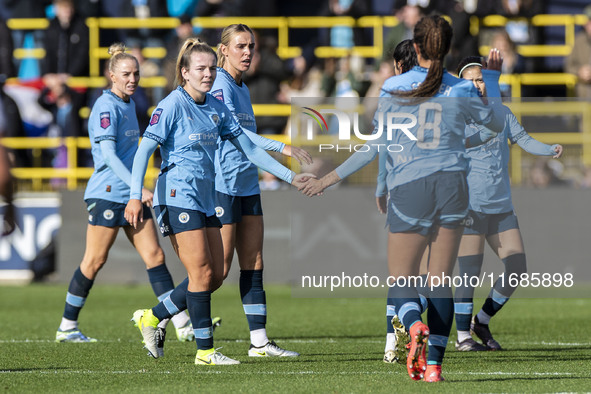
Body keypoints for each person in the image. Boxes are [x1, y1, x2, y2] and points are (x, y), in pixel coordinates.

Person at [300, 15, 505, 382]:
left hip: (411, 187)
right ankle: (435, 369)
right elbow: (493, 124)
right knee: (440, 279)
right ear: (449, 48)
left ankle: (412, 327)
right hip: (453, 186)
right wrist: (490, 79)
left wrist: (328, 178)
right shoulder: (460, 88)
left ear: (415, 47)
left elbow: (375, 147)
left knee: (403, 278)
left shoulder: (393, 86)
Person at [125, 38, 312, 365]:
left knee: (212, 276)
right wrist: (133, 195)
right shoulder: (171, 105)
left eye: (211, 68)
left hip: (206, 197)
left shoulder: (216, 106)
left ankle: (152, 317)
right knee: (201, 273)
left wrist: (291, 177)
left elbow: (250, 150)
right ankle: (205, 352)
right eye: (201, 68)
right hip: (176, 196)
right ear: (184, 72)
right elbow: (144, 151)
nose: (209, 74)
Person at [55, 43, 193, 343]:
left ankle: (182, 323)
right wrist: (137, 188)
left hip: (131, 195)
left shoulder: (129, 103)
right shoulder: (105, 107)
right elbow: (108, 157)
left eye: (136, 74)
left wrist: (135, 190)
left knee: (155, 255)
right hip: (107, 193)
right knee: (94, 260)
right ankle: (67, 326)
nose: (133, 79)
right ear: (112, 76)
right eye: (126, 74)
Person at [212, 24, 311, 357]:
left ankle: (259, 342)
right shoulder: (219, 87)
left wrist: (286, 171)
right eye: (240, 46)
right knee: (216, 271)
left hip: (246, 184)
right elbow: (244, 137)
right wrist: (283, 151)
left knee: (254, 263)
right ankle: (158, 315)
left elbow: (249, 148)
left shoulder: (243, 88)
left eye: (251, 46)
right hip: (222, 186)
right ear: (223, 50)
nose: (247, 52)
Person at [453, 55, 563, 352]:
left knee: (516, 268)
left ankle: (482, 321)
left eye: (481, 78)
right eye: (471, 79)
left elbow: (524, 139)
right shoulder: (457, 116)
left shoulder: (502, 112)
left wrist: (548, 149)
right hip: (471, 205)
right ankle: (463, 337)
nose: (477, 84)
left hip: (501, 205)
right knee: (469, 272)